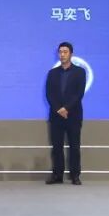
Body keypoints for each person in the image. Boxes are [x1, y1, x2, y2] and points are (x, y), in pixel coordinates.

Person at [45, 42, 86, 185]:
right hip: (56, 116)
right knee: (57, 147)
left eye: (65, 52)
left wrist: (66, 108)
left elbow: (79, 93)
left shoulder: (80, 72)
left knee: (74, 147)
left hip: (73, 115)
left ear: (71, 54)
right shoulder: (52, 73)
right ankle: (57, 175)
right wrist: (59, 109)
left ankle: (75, 175)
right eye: (60, 52)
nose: (62, 54)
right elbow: (49, 94)